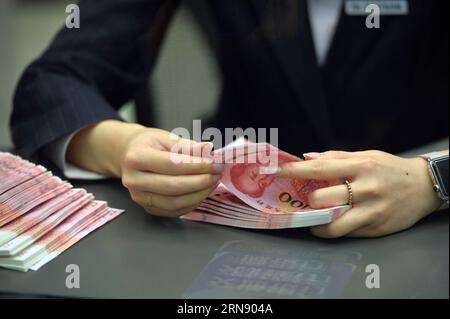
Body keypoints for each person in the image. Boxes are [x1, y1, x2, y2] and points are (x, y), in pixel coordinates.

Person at [10, 0, 449, 238]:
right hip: (230, 227)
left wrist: (432, 178)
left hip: (422, 224)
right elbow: (53, 82)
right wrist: (123, 146)